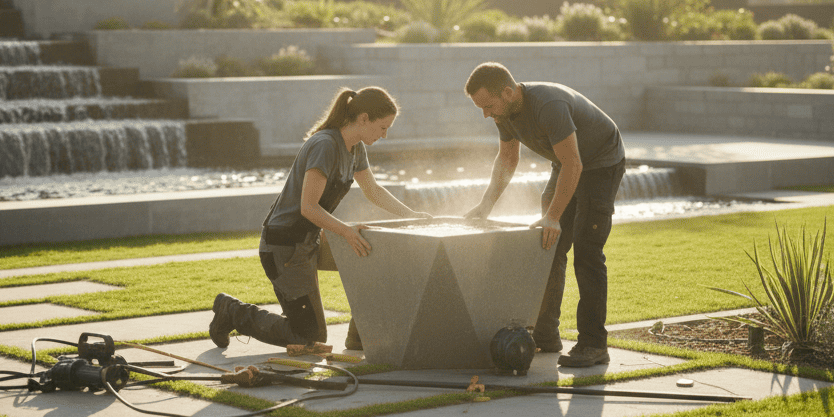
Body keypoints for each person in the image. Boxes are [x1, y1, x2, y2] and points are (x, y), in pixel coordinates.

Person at [210, 86, 431, 350]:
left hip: (310, 239)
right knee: (306, 336)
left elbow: (372, 190)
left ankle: (359, 336)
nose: (384, 135)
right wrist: (346, 231)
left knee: (378, 258)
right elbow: (309, 208)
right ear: (363, 119)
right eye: (383, 127)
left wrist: (413, 216)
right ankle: (231, 311)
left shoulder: (356, 148)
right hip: (284, 247)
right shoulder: (325, 145)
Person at [463, 62, 626, 367]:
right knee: (547, 246)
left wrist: (553, 216)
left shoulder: (548, 105)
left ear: (509, 92)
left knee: (587, 251)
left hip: (601, 163)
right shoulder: (505, 113)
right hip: (566, 164)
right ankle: (546, 334)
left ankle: (593, 344)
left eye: (487, 106)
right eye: (480, 108)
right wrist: (485, 206)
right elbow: (508, 159)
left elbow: (575, 165)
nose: (486, 114)